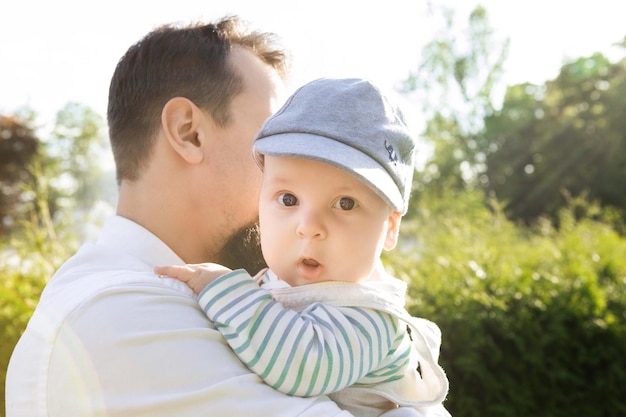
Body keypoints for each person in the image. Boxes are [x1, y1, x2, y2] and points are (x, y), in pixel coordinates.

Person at [5, 16, 355, 417]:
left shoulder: (180, 300)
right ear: (189, 132)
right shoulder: (125, 315)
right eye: (273, 140)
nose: (292, 172)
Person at [156, 78, 451, 417]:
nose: (308, 226)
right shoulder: (267, 285)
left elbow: (304, 367)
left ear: (390, 227)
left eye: (345, 203)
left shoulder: (370, 316)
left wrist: (224, 291)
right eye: (288, 199)